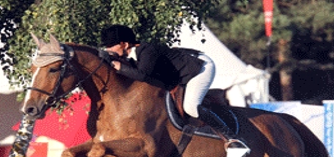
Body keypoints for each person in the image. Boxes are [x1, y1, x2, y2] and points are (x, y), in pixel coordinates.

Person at [100, 24, 240, 143]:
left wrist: (118, 66)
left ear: (124, 44)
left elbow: (143, 75)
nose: (108, 50)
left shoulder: (146, 50)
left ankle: (230, 137)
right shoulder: (132, 56)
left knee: (191, 107)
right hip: (180, 75)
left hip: (199, 68)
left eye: (111, 46)